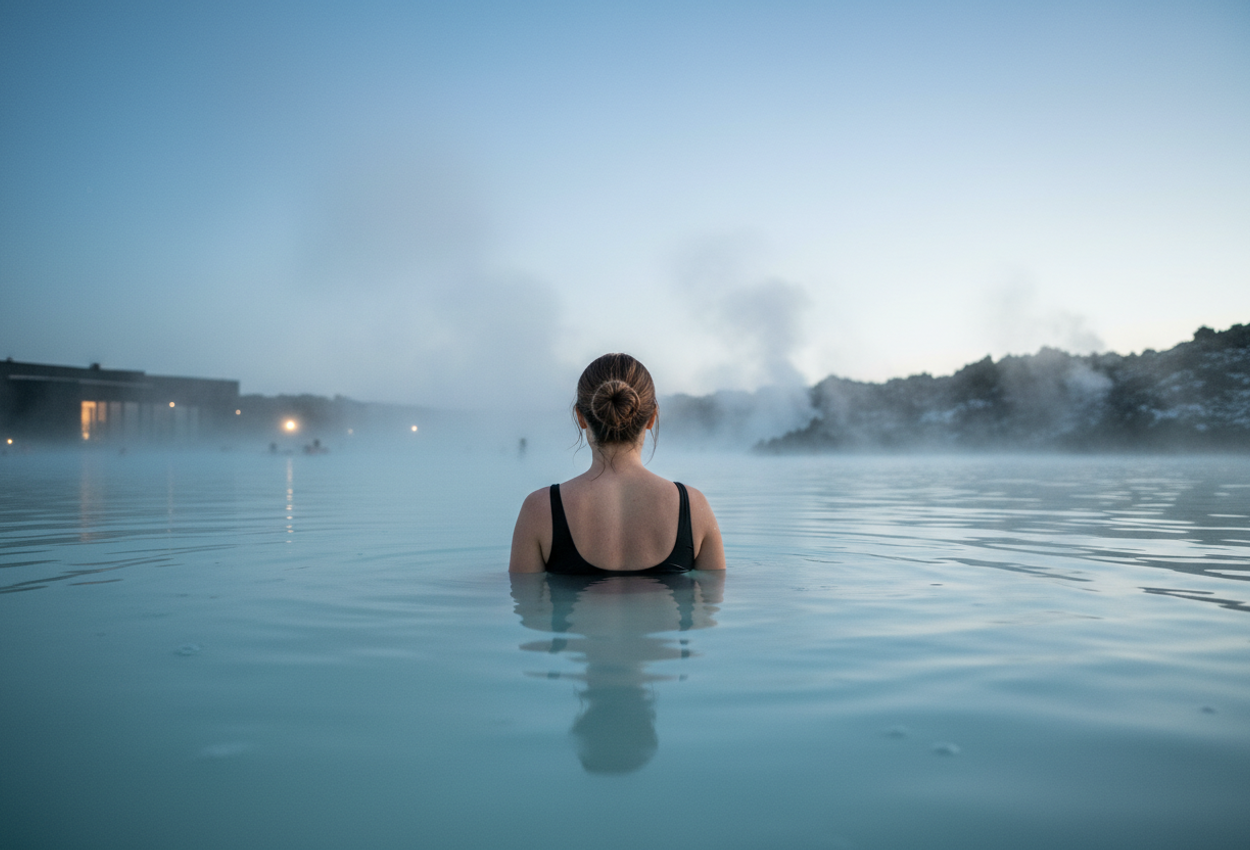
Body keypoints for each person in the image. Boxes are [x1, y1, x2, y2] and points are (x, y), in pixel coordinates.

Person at [509, 353, 725, 574]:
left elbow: (526, 603)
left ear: (581, 417)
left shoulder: (540, 510)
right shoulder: (693, 507)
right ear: (652, 417)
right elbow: (712, 600)